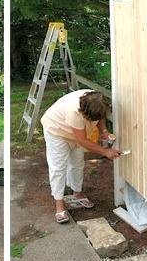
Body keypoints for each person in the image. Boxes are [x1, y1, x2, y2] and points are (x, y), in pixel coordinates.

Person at [40, 89, 121, 223]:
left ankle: (77, 193)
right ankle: (59, 205)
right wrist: (106, 151)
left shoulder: (97, 100)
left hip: (77, 133)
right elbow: (82, 140)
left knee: (77, 163)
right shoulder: (74, 112)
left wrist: (104, 131)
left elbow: (100, 117)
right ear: (84, 113)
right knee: (58, 167)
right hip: (57, 131)